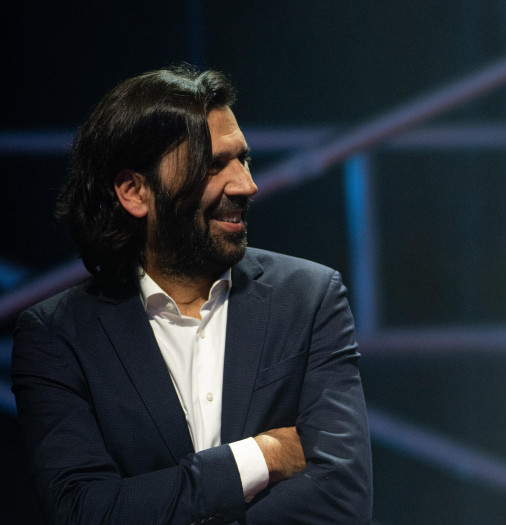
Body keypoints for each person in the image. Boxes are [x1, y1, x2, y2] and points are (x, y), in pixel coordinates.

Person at [11, 66, 372, 524]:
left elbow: (344, 497)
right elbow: (84, 511)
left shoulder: (308, 298)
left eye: (243, 159)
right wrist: (259, 457)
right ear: (134, 192)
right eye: (213, 164)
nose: (246, 185)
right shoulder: (58, 336)